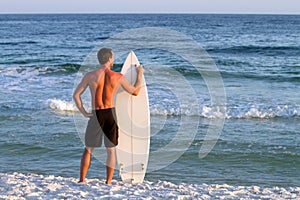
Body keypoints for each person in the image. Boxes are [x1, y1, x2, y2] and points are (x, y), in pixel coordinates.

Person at [73, 48, 144, 184]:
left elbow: (76, 95)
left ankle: (81, 180)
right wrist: (139, 74)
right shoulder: (117, 77)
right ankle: (108, 182)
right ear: (110, 59)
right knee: (111, 151)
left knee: (88, 149)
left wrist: (83, 112)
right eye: (113, 58)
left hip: (96, 114)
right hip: (110, 114)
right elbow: (135, 92)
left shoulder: (90, 76)